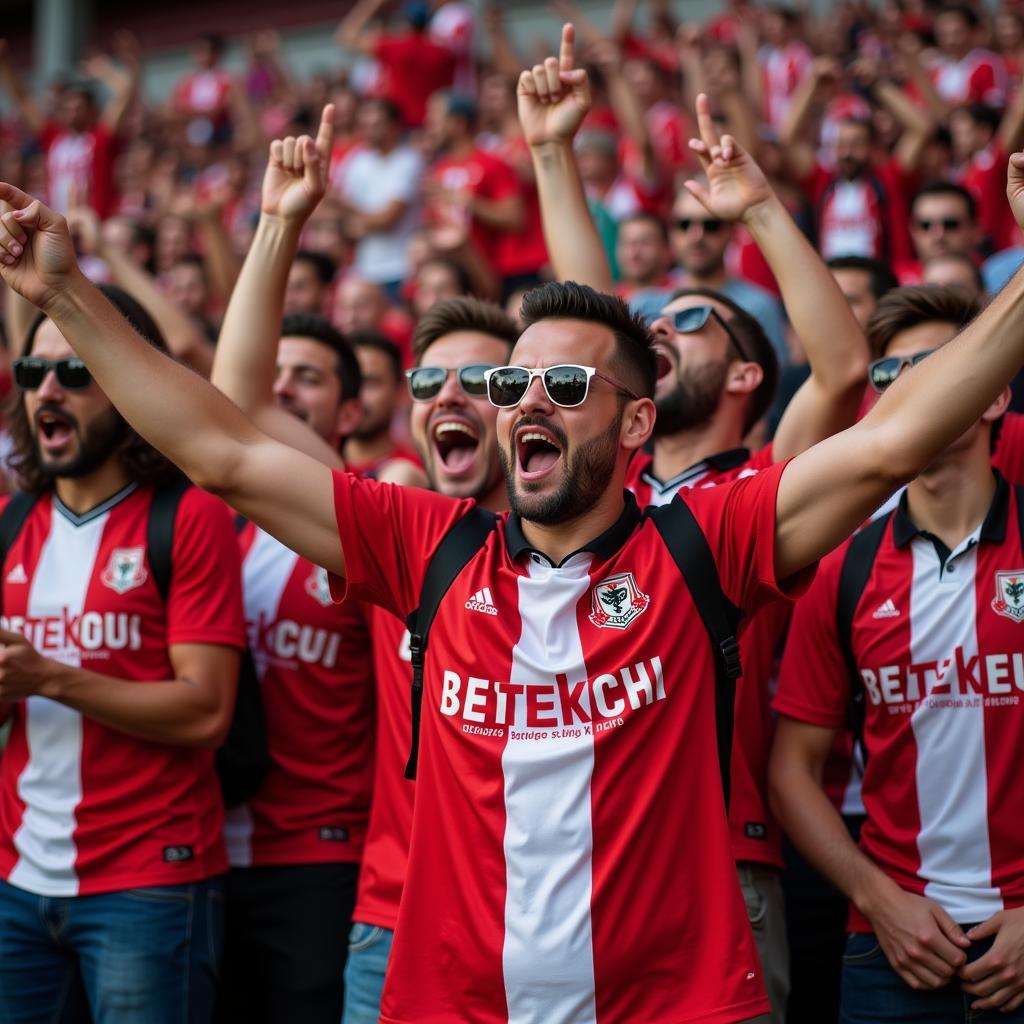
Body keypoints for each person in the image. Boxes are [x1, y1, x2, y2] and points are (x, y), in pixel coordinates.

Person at [6, 30, 1024, 1018]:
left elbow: (891, 441)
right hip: (450, 1003)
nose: (527, 399)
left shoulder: (706, 539)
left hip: (671, 1006)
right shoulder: (426, 547)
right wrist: (62, 288)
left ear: (636, 419)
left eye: (566, 382)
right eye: (512, 381)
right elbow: (220, 448)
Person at [523, 38, 869, 1021]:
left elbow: (841, 367)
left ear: (750, 376)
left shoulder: (762, 483)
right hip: (572, 848)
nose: (660, 329)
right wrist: (554, 151)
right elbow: (590, 332)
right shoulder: (610, 483)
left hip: (723, 848)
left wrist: (758, 206)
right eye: (654, 324)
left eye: (691, 320)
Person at [770, 284, 1024, 1021]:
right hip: (892, 949)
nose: (913, 389)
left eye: (939, 365)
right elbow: (792, 769)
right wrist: (878, 900)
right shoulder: (842, 569)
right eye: (890, 376)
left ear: (992, 396)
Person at [0, 286, 244, 1023]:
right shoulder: (12, 521)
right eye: (33, 372)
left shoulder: (188, 516)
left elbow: (206, 712)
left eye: (77, 373)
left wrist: (48, 675)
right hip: (16, 877)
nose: (49, 389)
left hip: (148, 883)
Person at [205, 112, 376, 1023]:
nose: (283, 390)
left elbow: (239, 396)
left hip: (321, 861)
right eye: (283, 373)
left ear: (346, 414)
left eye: (308, 379)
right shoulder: (207, 528)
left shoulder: (369, 523)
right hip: (202, 854)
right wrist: (277, 220)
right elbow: (236, 399)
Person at [343, 296, 519, 1024]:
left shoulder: (614, 562)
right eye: (427, 382)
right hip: (394, 919)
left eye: (479, 378)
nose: (446, 394)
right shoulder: (395, 539)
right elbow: (234, 434)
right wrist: (278, 226)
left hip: (566, 932)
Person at [335, 98, 424, 293]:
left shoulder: (410, 161)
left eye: (376, 124)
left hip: (401, 268)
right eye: (364, 125)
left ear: (395, 126)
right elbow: (344, 222)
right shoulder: (357, 160)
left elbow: (387, 219)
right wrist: (361, 218)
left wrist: (347, 207)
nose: (369, 130)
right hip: (364, 269)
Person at [344, 331, 425, 482]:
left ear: (401, 392)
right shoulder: (317, 465)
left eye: (371, 383)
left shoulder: (421, 471)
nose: (358, 395)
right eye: (351, 382)